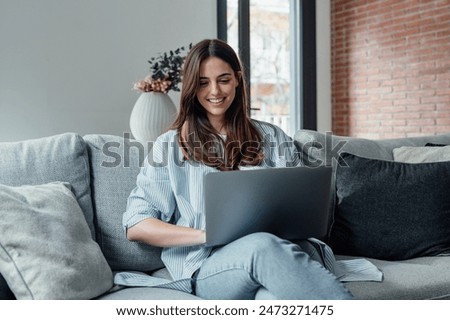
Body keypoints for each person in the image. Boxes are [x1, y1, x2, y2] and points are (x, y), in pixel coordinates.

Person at [116, 39, 353, 300]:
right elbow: (137, 225)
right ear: (191, 88)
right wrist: (208, 235)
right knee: (261, 245)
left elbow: (304, 206)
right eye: (203, 82)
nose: (215, 91)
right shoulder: (170, 146)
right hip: (212, 265)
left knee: (270, 297)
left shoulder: (272, 137)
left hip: (285, 252)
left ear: (238, 80)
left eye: (224, 79)